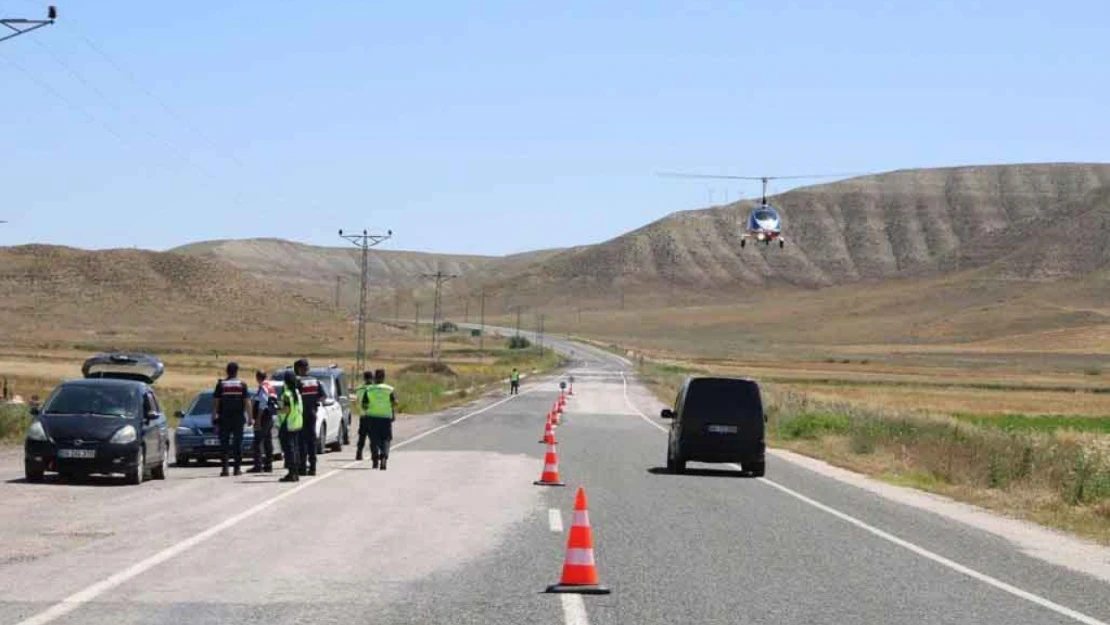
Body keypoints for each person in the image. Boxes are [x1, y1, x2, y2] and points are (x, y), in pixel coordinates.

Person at [212, 362, 250, 477]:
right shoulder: (242, 384)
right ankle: (237, 469)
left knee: (224, 444)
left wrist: (214, 416)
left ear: (226, 371)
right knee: (237, 444)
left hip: (224, 417)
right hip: (238, 418)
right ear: (236, 371)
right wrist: (250, 417)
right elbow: (247, 402)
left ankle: (225, 469)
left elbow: (216, 402)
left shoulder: (221, 385)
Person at [293, 358, 325, 476]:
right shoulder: (315, 381)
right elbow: (323, 397)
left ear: (300, 369)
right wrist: (315, 403)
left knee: (302, 441)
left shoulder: (298, 382)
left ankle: (302, 467)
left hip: (301, 415)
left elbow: (294, 398)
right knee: (311, 441)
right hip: (312, 413)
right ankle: (313, 467)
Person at [362, 368, 397, 470]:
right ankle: (384, 456)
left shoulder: (369, 389)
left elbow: (364, 405)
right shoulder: (390, 389)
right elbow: (395, 402)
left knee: (374, 440)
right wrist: (390, 409)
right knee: (386, 439)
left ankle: (375, 460)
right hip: (386, 418)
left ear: (374, 377)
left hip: (372, 417)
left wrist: (369, 408)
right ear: (383, 377)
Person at [247, 370, 277, 474]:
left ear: (258, 377)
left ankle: (258, 466)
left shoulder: (263, 387)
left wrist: (258, 419)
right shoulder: (270, 387)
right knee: (268, 441)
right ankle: (268, 465)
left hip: (264, 417)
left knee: (257, 442)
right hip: (270, 417)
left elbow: (262, 404)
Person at [277, 370, 303, 483]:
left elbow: (286, 409)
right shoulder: (296, 392)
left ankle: (291, 473)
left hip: (288, 423)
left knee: (289, 449)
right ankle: (295, 472)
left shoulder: (287, 394)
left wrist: (277, 410)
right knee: (295, 448)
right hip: (297, 423)